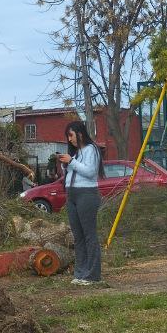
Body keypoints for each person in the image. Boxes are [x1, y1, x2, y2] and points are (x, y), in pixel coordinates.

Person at [58, 120, 105, 286]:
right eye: (67, 136)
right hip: (71, 194)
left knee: (89, 235)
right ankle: (80, 273)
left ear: (80, 133)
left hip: (86, 193)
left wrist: (71, 162)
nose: (69, 139)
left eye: (71, 135)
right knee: (78, 236)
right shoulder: (76, 152)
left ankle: (92, 275)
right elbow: (73, 171)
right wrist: (65, 164)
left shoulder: (91, 149)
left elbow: (91, 172)